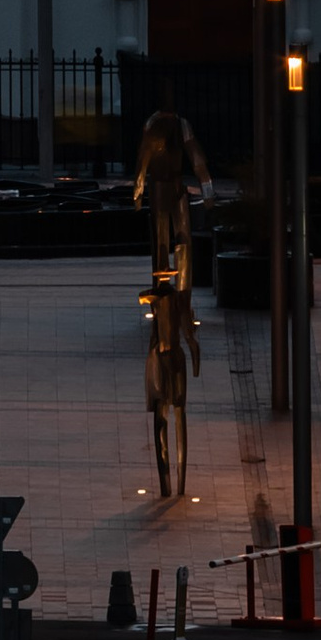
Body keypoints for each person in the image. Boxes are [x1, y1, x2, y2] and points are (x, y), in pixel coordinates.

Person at [131, 105, 211, 272]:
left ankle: (174, 270)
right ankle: (166, 268)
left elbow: (143, 160)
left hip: (170, 185)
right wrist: (207, 191)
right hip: (165, 185)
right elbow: (197, 160)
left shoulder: (168, 124)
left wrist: (138, 192)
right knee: (167, 232)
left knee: (174, 232)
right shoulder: (165, 124)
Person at [144, 274, 201, 499]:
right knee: (175, 414)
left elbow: (188, 335)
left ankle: (170, 481)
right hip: (172, 359)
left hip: (165, 358)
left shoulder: (158, 299)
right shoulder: (176, 299)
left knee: (168, 416)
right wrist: (195, 362)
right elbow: (190, 336)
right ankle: (173, 481)